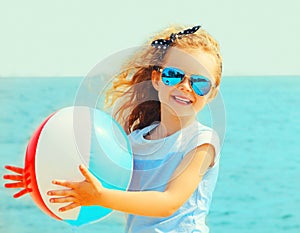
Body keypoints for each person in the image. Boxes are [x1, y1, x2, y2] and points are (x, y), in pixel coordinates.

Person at [3, 24, 223, 233]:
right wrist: (43, 176)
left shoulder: (202, 142)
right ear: (156, 79)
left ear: (211, 93)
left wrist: (100, 197)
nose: (185, 87)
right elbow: (108, 184)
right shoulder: (136, 141)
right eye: (174, 75)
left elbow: (168, 203)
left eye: (200, 83)